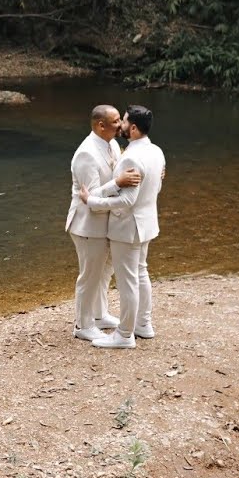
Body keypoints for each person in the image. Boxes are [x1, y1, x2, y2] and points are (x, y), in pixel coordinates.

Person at [79, 105, 165, 349]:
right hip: (147, 223)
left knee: (128, 281)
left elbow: (127, 200)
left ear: (134, 128)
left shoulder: (130, 157)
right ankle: (143, 325)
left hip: (127, 228)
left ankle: (124, 335)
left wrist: (93, 201)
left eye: (124, 122)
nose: (120, 126)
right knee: (140, 273)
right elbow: (155, 187)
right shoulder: (157, 151)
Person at [67, 104, 142, 341]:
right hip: (87, 224)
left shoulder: (110, 143)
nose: (121, 124)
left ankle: (99, 315)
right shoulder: (86, 153)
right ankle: (82, 325)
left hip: (105, 223)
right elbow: (92, 196)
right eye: (117, 120)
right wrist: (119, 182)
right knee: (89, 275)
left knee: (104, 271)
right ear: (101, 125)